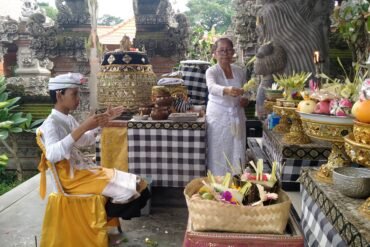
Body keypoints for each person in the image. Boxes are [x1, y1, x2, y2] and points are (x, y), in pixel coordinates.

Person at [37, 72, 150, 220]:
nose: (78, 99)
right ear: (59, 95)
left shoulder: (68, 119)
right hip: (72, 179)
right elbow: (52, 154)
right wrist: (83, 127)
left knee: (141, 186)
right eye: (74, 95)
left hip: (84, 171)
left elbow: (83, 140)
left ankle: (99, 220)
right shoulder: (51, 124)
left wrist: (102, 123)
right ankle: (96, 221)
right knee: (128, 193)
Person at [205, 37, 248, 175]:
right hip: (218, 118)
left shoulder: (240, 71)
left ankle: (237, 179)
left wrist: (245, 100)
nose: (225, 53)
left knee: (238, 147)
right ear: (215, 53)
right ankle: (218, 180)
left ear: (233, 52)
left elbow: (247, 91)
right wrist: (227, 90)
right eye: (221, 50)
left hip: (237, 115)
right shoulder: (211, 71)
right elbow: (212, 87)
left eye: (229, 50)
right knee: (219, 149)